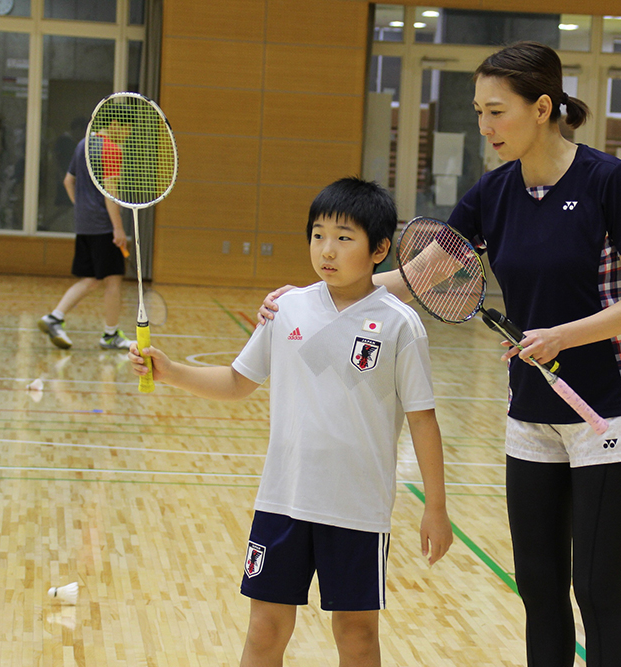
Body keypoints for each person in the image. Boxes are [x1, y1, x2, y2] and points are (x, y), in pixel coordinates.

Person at [260, 42, 621, 667]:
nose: (484, 127)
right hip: (532, 405)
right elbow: (416, 277)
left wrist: (562, 335)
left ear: (542, 108)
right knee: (538, 583)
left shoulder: (607, 181)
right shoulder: (494, 193)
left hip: (606, 407)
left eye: (496, 111)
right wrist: (309, 296)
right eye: (479, 111)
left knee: (595, 586)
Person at [130, 177, 453, 667]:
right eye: (318, 235)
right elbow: (238, 382)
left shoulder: (398, 324)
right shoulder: (286, 308)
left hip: (357, 508)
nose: (328, 250)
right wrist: (169, 370)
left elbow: (423, 419)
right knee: (264, 629)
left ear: (380, 249)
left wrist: (436, 506)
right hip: (284, 500)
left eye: (345, 238)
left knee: (357, 634)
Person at [39, 120, 132, 350]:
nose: (129, 134)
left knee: (91, 279)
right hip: (103, 224)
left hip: (84, 223)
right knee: (113, 280)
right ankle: (110, 335)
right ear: (115, 124)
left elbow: (68, 181)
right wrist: (118, 228)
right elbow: (111, 193)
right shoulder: (111, 149)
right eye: (128, 128)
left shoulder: (83, 144)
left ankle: (55, 317)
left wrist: (81, 208)